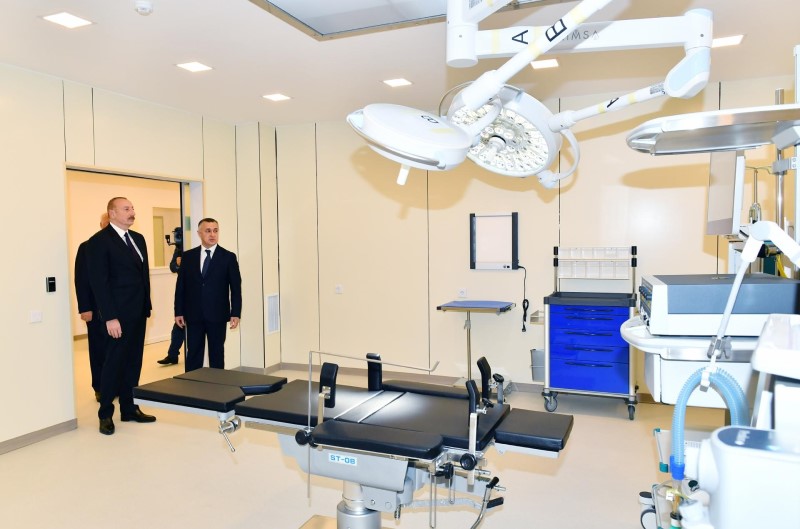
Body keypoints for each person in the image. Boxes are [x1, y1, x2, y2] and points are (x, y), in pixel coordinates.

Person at [88, 197, 156, 435]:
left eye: (133, 208)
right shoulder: (99, 242)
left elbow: (142, 276)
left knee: (133, 362)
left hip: (138, 312)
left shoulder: (138, 238)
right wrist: (110, 317)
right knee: (113, 364)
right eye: (126, 209)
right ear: (112, 213)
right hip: (116, 316)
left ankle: (129, 408)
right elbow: (99, 283)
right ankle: (105, 413)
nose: (132, 212)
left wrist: (146, 306)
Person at [174, 218, 242, 372]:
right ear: (199, 233)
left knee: (217, 354)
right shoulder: (188, 257)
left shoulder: (228, 257)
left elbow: (236, 288)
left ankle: (217, 386)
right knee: (193, 354)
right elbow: (181, 287)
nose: (212, 234)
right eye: (208, 231)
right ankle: (191, 384)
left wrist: (235, 313)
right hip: (193, 315)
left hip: (218, 315)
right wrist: (178, 311)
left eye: (215, 231)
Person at [74, 213, 110, 402]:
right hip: (95, 310)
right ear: (101, 225)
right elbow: (81, 280)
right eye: (106, 223)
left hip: (119, 309)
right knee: (98, 349)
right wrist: (85, 308)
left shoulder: (124, 245)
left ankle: (117, 385)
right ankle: (100, 387)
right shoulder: (87, 247)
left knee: (118, 351)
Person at [157, 245, 185, 365]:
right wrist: (178, 264)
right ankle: (172, 355)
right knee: (179, 326)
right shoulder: (179, 249)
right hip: (184, 292)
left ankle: (173, 355)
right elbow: (172, 267)